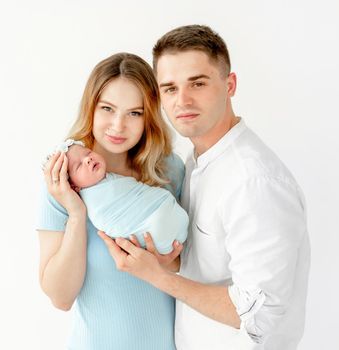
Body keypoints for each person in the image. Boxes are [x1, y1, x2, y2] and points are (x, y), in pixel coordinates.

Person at [98, 25, 311, 350]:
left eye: (197, 83)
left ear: (230, 85)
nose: (182, 100)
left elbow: (259, 314)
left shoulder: (253, 181)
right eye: (169, 88)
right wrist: (166, 261)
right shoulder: (195, 163)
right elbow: (211, 264)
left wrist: (158, 277)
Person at [37, 52, 184, 350]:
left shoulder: (169, 170)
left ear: (150, 116)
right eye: (107, 108)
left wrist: (167, 263)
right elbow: (61, 298)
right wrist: (77, 214)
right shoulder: (65, 180)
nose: (118, 126)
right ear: (91, 108)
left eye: (134, 113)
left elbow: (187, 263)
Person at [48, 139, 188, 254]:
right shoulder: (91, 201)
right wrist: (76, 213)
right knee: (159, 224)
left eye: (88, 153)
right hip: (157, 229)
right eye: (78, 165)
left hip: (170, 217)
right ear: (73, 186)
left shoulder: (171, 164)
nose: (88, 159)